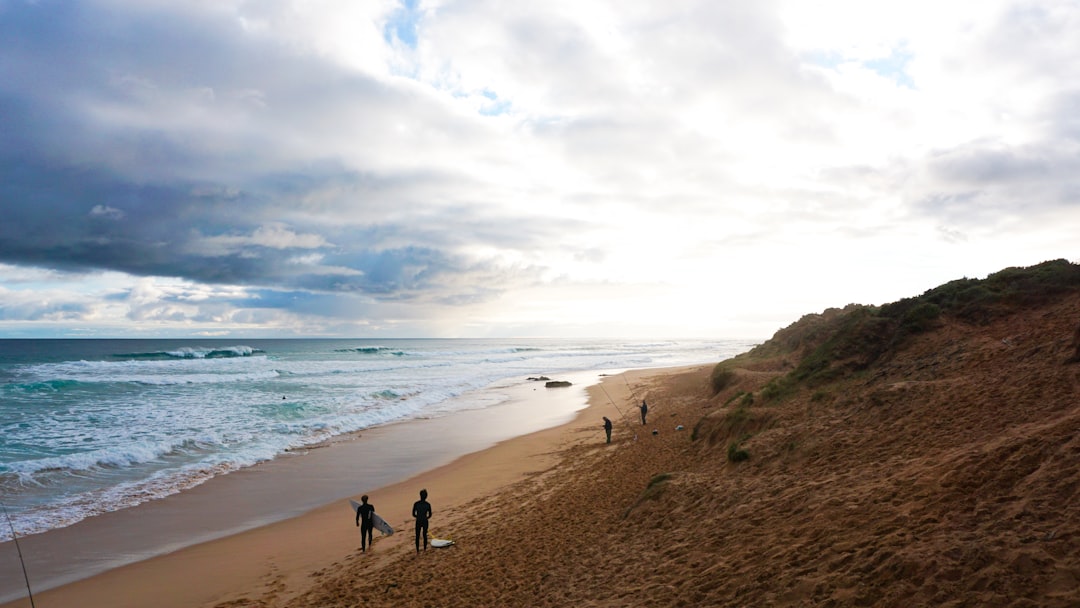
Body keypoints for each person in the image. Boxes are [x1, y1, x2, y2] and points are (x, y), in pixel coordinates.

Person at [412, 488, 432, 553]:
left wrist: (418, 516)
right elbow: (430, 514)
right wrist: (426, 517)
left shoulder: (416, 504)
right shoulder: (428, 504)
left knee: (417, 535)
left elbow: (413, 514)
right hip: (425, 520)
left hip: (418, 521)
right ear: (426, 496)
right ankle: (425, 549)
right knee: (424, 535)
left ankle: (417, 550)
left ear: (420, 495)